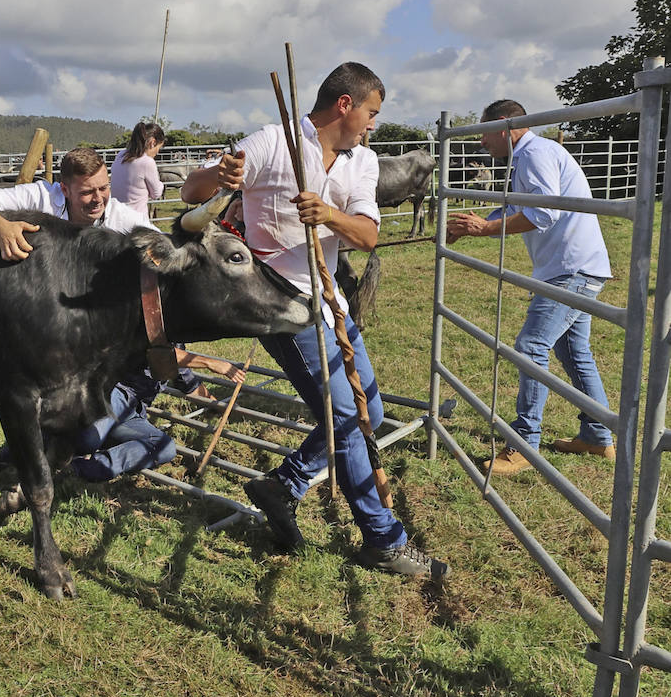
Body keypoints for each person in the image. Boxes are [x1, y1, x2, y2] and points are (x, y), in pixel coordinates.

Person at [182, 61, 448, 579]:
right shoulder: (270, 142)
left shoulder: (363, 161)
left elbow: (367, 236)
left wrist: (327, 215)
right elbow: (193, 193)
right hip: (278, 302)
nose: (374, 123)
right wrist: (222, 175)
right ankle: (382, 539)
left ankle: (283, 485)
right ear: (345, 105)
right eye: (371, 112)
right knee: (345, 416)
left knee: (366, 406)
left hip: (330, 302)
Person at [0, 148, 239, 481]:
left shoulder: (123, 219)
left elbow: (165, 254)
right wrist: (0, 227)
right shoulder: (40, 198)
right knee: (28, 394)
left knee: (100, 432)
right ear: (63, 189)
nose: (98, 199)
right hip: (37, 322)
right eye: (87, 192)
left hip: (87, 338)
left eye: (104, 188)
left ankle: (62, 463)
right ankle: (11, 434)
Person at [446, 99, 615, 473]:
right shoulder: (529, 155)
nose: (481, 144)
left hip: (570, 269)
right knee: (574, 353)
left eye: (484, 134)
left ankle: (524, 446)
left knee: (530, 346)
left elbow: (542, 213)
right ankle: (597, 436)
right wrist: (473, 226)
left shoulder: (535, 153)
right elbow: (516, 208)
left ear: (506, 127)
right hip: (573, 266)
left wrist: (486, 227)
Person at [109, 120, 164, 217]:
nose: (157, 152)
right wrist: (160, 184)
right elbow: (156, 193)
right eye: (158, 148)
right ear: (153, 143)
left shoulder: (121, 155)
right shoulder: (147, 162)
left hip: (116, 217)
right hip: (136, 221)